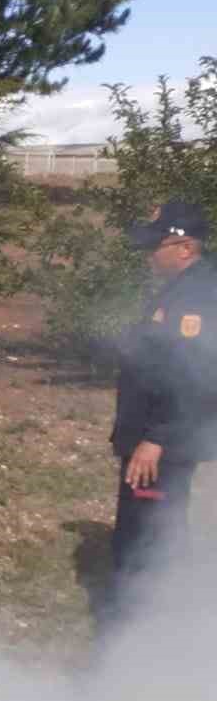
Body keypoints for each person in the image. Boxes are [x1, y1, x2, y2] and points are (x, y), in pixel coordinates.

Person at [107, 199, 217, 620]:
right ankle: (148, 626)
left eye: (157, 245)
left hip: (160, 445)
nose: (149, 254)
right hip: (152, 438)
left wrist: (156, 438)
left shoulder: (197, 298)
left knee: (147, 539)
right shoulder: (179, 290)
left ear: (185, 248)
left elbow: (197, 378)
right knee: (149, 529)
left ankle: (139, 635)